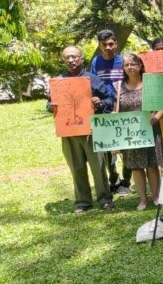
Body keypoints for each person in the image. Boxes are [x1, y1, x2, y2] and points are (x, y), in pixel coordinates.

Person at [47, 46, 114, 214]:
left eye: (74, 57)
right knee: (76, 167)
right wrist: (50, 106)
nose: (71, 60)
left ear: (81, 59)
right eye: (67, 58)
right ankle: (83, 200)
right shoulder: (59, 81)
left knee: (98, 166)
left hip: (91, 130)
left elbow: (109, 98)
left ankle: (105, 198)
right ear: (63, 61)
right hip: (69, 132)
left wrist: (100, 102)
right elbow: (50, 103)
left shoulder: (92, 79)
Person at [116, 54, 163, 211]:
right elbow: (117, 111)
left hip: (150, 128)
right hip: (130, 133)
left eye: (133, 64)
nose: (130, 67)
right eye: (126, 65)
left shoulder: (150, 83)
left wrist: (157, 117)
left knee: (152, 165)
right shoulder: (119, 86)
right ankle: (142, 199)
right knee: (136, 167)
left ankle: (156, 196)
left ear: (140, 65)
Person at [90, 29, 131, 196]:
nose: (108, 47)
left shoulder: (123, 61)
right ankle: (113, 178)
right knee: (107, 147)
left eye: (111, 44)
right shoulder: (95, 62)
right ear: (100, 46)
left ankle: (126, 182)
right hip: (103, 109)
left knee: (127, 145)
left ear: (116, 44)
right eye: (104, 45)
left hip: (122, 108)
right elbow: (91, 83)